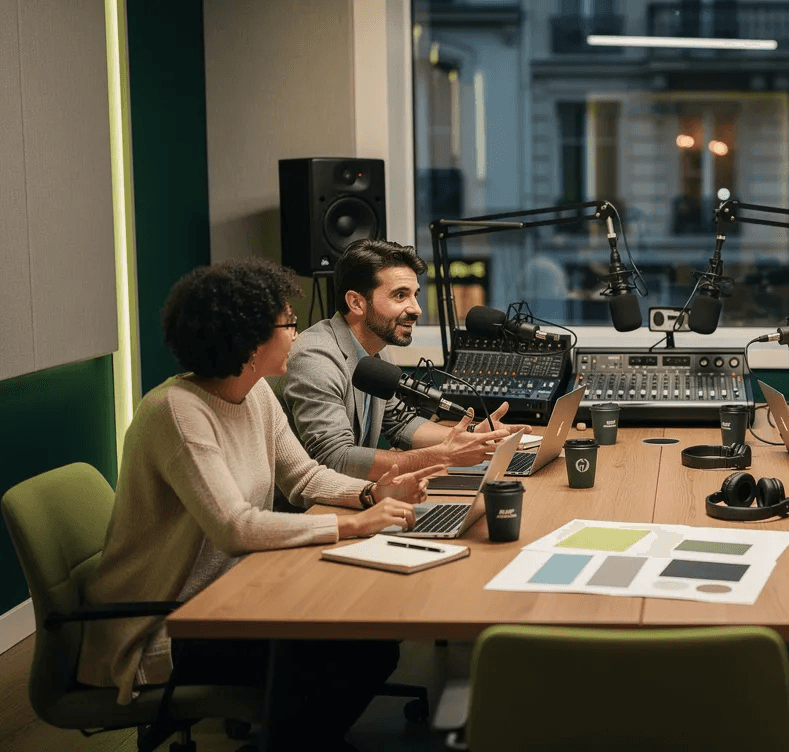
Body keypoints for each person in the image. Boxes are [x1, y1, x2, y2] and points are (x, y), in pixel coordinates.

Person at [78, 259, 440, 750]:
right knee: (346, 654)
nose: (296, 334)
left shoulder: (255, 396)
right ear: (248, 339)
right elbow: (235, 527)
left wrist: (372, 494)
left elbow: (304, 476)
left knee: (371, 647)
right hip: (168, 625)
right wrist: (352, 526)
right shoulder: (176, 413)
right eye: (288, 324)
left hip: (237, 595)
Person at [278, 238, 528, 483]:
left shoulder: (377, 347)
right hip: (308, 513)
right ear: (356, 303)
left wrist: (471, 435)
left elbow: (401, 423)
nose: (416, 308)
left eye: (415, 294)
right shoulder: (315, 358)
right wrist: (443, 456)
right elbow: (335, 460)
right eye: (400, 295)